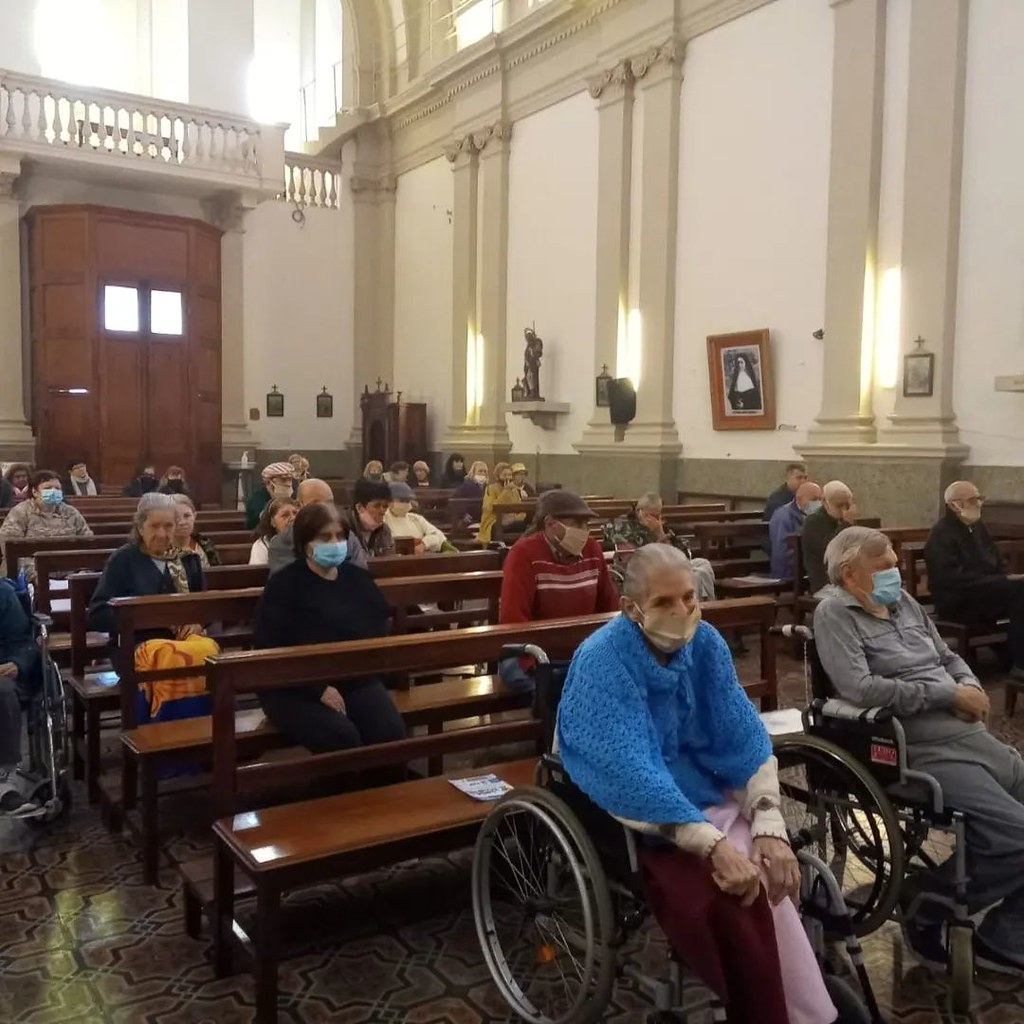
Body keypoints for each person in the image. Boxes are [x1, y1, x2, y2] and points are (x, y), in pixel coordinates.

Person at [558, 545, 836, 1024]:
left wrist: (769, 821)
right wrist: (712, 844)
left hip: (701, 787)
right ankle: (773, 1008)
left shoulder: (705, 642)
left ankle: (806, 1005)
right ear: (632, 608)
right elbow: (626, 769)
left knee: (774, 867)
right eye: (665, 602)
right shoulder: (601, 659)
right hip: (631, 806)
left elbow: (741, 732)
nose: (683, 612)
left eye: (688, 598)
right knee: (731, 894)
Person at [815, 527, 1024, 976]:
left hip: (969, 734)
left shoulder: (903, 603)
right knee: (1017, 838)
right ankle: (925, 901)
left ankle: (1008, 933)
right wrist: (946, 696)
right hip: (915, 746)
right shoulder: (834, 613)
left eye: (894, 562)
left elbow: (948, 656)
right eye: (885, 566)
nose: (897, 573)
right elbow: (860, 687)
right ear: (851, 574)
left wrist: (967, 684)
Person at [252, 502, 405, 754]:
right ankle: (337, 793)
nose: (334, 543)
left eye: (340, 536)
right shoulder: (284, 585)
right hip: (292, 687)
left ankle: (382, 792)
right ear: (305, 543)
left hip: (352, 678)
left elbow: (378, 626)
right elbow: (270, 647)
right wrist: (316, 689)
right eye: (325, 537)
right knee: (341, 737)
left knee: (389, 732)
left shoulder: (357, 579)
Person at [88, 493, 217, 725]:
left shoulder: (188, 559)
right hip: (135, 644)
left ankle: (208, 733)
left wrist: (198, 622)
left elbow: (204, 607)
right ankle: (165, 736)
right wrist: (146, 617)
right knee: (170, 656)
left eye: (169, 526)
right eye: (154, 526)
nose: (162, 533)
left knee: (209, 650)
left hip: (184, 641)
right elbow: (97, 614)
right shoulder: (123, 560)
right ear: (140, 527)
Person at [498, 490, 619, 691]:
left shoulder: (592, 549)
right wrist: (537, 665)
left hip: (582, 652)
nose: (583, 531)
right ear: (550, 524)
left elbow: (609, 606)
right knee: (542, 689)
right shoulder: (524, 554)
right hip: (535, 654)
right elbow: (513, 620)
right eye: (576, 524)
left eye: (586, 524)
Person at [925, 480, 1024, 678]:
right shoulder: (941, 533)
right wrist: (999, 581)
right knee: (1020, 591)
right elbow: (949, 578)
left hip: (985, 592)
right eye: (972, 500)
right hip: (958, 601)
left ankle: (1014, 657)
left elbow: (997, 559)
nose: (979, 504)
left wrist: (1005, 577)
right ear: (954, 505)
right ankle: (1020, 663)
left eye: (979, 498)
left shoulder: (978, 528)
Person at [604, 492, 716, 600]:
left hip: (668, 563)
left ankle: (707, 603)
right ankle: (693, 605)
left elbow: (684, 554)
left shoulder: (658, 525)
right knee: (694, 576)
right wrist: (656, 539)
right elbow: (636, 559)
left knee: (703, 564)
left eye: (657, 515)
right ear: (639, 511)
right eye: (649, 515)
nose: (653, 519)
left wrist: (660, 533)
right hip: (646, 570)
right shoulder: (624, 527)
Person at [0, 469, 93, 581]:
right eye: (48, 488)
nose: (53, 491)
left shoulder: (71, 512)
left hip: (71, 573)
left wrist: (82, 572)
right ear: (35, 492)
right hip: (32, 575)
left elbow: (88, 541)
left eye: (57, 489)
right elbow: (10, 547)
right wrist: (35, 576)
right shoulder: (20, 512)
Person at [0, 578, 42, 815]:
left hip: (1, 671)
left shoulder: (4, 594)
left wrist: (16, 663)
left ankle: (4, 783)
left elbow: (22, 642)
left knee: (3, 691)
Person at [267, 478, 335, 575]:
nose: (325, 509)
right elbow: (289, 583)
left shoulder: (347, 536)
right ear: (299, 506)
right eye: (317, 504)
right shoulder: (281, 544)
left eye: (329, 503)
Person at [801, 481, 857, 595]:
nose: (843, 510)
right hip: (825, 583)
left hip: (849, 581)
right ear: (825, 503)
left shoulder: (847, 521)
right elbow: (830, 551)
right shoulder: (813, 522)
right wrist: (845, 524)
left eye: (847, 505)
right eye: (839, 505)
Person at [768, 481, 822, 580]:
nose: (818, 503)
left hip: (809, 569)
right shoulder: (783, 517)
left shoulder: (816, 515)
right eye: (814, 499)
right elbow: (782, 552)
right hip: (787, 572)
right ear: (799, 499)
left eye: (820, 499)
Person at [385, 482, 450, 553]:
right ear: (389, 501)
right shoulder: (383, 519)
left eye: (408, 501)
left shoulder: (415, 519)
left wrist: (424, 544)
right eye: (402, 501)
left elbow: (439, 536)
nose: (405, 504)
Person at [342, 478, 395, 565]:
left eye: (385, 506)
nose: (382, 511)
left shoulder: (384, 531)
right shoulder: (342, 530)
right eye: (377, 506)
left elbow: (389, 564)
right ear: (359, 507)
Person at [170, 494, 220, 568]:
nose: (182, 522)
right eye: (175, 517)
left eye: (187, 516)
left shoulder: (205, 544)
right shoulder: (159, 549)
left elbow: (217, 573)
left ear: (194, 516)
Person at [478, 462, 522, 544]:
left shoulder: (514, 490)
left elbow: (520, 507)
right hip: (494, 521)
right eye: (504, 475)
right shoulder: (490, 489)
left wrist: (516, 518)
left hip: (512, 520)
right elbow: (490, 508)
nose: (507, 478)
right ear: (498, 476)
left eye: (509, 475)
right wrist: (505, 491)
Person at [249, 496, 298, 566]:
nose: (293, 518)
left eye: (295, 513)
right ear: (273, 522)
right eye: (285, 515)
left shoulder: (307, 541)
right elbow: (257, 573)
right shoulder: (262, 545)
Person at [246, 462, 295, 529]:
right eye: (283, 480)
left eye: (290, 479)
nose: (288, 484)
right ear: (269, 483)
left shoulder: (294, 497)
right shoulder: (257, 499)